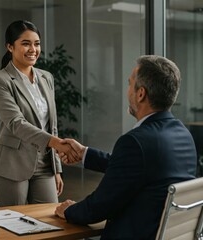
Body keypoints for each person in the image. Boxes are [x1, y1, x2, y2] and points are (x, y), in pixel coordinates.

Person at [55, 55, 197, 239]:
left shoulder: (136, 142)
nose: (127, 90)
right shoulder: (183, 135)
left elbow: (98, 206)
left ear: (141, 93)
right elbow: (132, 168)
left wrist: (68, 210)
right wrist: (84, 154)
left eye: (130, 84)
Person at [0, 20, 78, 207]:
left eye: (36, 44)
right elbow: (16, 123)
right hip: (12, 164)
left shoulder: (46, 77)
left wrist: (57, 169)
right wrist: (56, 144)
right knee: (13, 224)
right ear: (10, 47)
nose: (33, 49)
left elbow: (51, 125)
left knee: (49, 221)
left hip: (45, 163)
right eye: (26, 43)